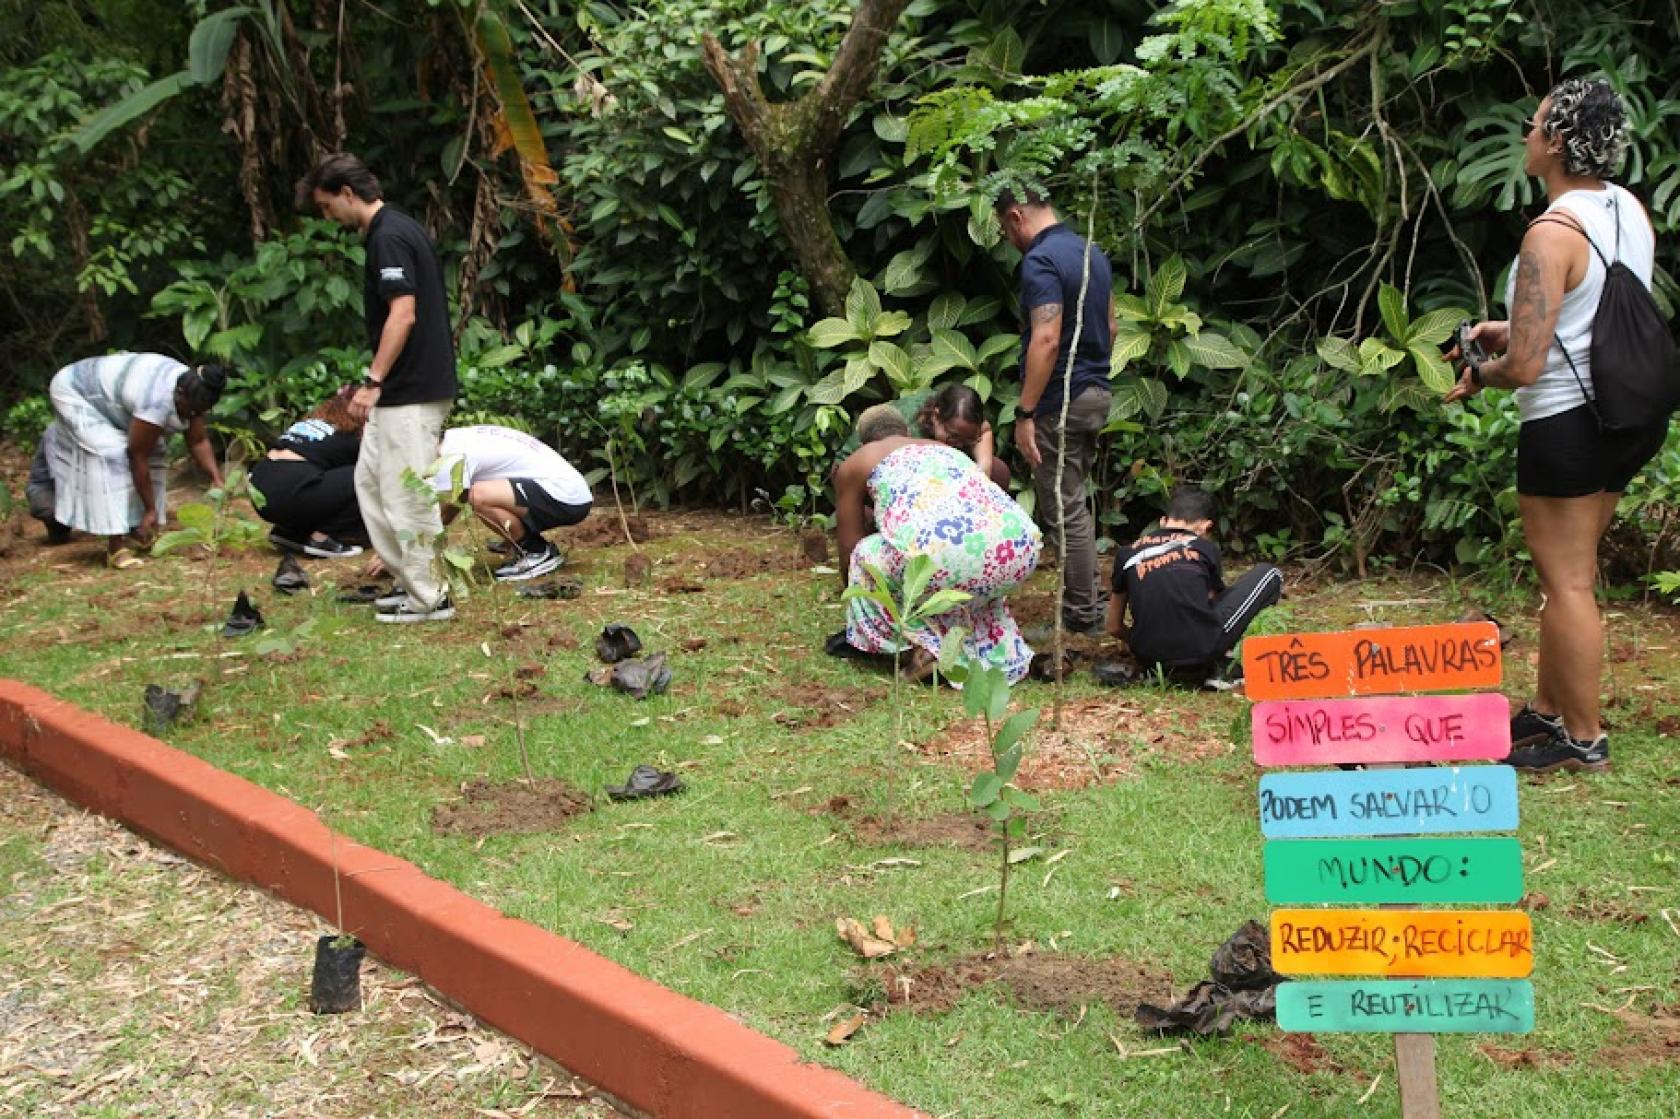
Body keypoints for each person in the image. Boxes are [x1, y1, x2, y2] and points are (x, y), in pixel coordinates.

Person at [1445, 78, 1666, 773]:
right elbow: (1587, 314)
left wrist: (1478, 372)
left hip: (1569, 421)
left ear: (1557, 144)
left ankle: (1583, 734)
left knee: (1567, 581)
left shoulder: (1548, 231)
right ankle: (1547, 708)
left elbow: (1528, 366)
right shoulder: (1625, 209)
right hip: (1629, 414)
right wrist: (1500, 328)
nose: (1525, 136)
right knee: (1572, 572)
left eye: (1534, 125)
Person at [298, 153, 458, 623]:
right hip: (400, 392)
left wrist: (372, 380)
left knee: (406, 492)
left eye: (328, 206)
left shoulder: (389, 235)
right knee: (371, 483)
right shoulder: (393, 231)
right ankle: (410, 582)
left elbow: (403, 312)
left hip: (410, 389)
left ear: (348, 193)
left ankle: (432, 597)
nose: (329, 217)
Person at [833, 404, 1043, 682]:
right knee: (968, 577)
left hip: (946, 558)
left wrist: (857, 597)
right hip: (1018, 549)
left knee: (865, 555)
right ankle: (1007, 655)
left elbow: (849, 543)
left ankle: (920, 651)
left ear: (863, 441)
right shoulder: (943, 449)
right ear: (906, 431)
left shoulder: (859, 460)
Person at [995, 186, 1115, 636]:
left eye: (1005, 229)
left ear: (1015, 217)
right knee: (1076, 503)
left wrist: (1026, 412)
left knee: (1064, 510)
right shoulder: (1090, 252)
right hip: (1095, 390)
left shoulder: (1040, 261)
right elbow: (1112, 324)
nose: (1009, 240)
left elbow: (1046, 337)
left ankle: (1084, 616)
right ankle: (1090, 603)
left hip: (1059, 400)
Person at [36, 353, 227, 568]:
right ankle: (116, 546)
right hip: (76, 393)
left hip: (113, 401)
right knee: (113, 456)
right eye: (191, 410)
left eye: (199, 412)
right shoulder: (155, 401)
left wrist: (217, 478)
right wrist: (150, 509)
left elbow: (198, 441)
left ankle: (138, 528)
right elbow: (137, 456)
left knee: (156, 449)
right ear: (179, 394)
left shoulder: (195, 387)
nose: (193, 415)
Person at [1106, 486, 1283, 688]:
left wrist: (1139, 640)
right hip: (1201, 649)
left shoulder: (1127, 553)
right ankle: (1220, 667)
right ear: (1205, 527)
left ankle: (1173, 664)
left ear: (1163, 521)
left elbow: (1113, 626)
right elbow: (1210, 607)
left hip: (1148, 657)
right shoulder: (1203, 547)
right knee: (1270, 574)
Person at [429, 424, 592, 581]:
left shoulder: (450, 455)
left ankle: (536, 552)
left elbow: (450, 507)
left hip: (566, 496)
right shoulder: (458, 436)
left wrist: (421, 539)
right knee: (481, 491)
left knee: (478, 495)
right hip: (570, 490)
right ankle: (519, 542)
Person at [249, 390, 367, 558]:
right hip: (290, 491)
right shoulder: (349, 437)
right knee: (367, 474)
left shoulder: (307, 426)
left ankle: (289, 531)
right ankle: (321, 538)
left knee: (321, 480)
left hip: (259, 489)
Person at [839, 384, 1011, 488]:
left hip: (927, 470)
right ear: (936, 416)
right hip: (863, 467)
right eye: (954, 437)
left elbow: (985, 430)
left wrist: (983, 470)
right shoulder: (906, 430)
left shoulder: (962, 416)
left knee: (998, 471)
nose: (960, 445)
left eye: (967, 439)